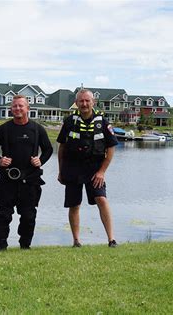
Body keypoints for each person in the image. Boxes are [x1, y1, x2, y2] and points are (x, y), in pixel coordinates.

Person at [0, 95, 53, 251]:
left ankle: (25, 246)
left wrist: (40, 161)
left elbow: (49, 149)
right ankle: (1, 246)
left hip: (30, 181)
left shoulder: (37, 129)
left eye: (20, 106)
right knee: (3, 215)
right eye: (14, 106)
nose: (17, 109)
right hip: (8, 179)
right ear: (11, 109)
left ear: (27, 108)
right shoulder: (3, 129)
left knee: (29, 216)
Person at [57, 88, 118, 248]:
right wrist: (60, 170)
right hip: (72, 168)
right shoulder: (69, 122)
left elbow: (111, 148)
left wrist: (102, 172)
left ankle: (111, 240)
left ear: (93, 102)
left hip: (95, 169)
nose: (84, 104)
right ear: (76, 103)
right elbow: (62, 147)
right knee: (74, 204)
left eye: (87, 100)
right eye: (81, 101)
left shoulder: (103, 123)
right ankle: (76, 241)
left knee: (101, 199)